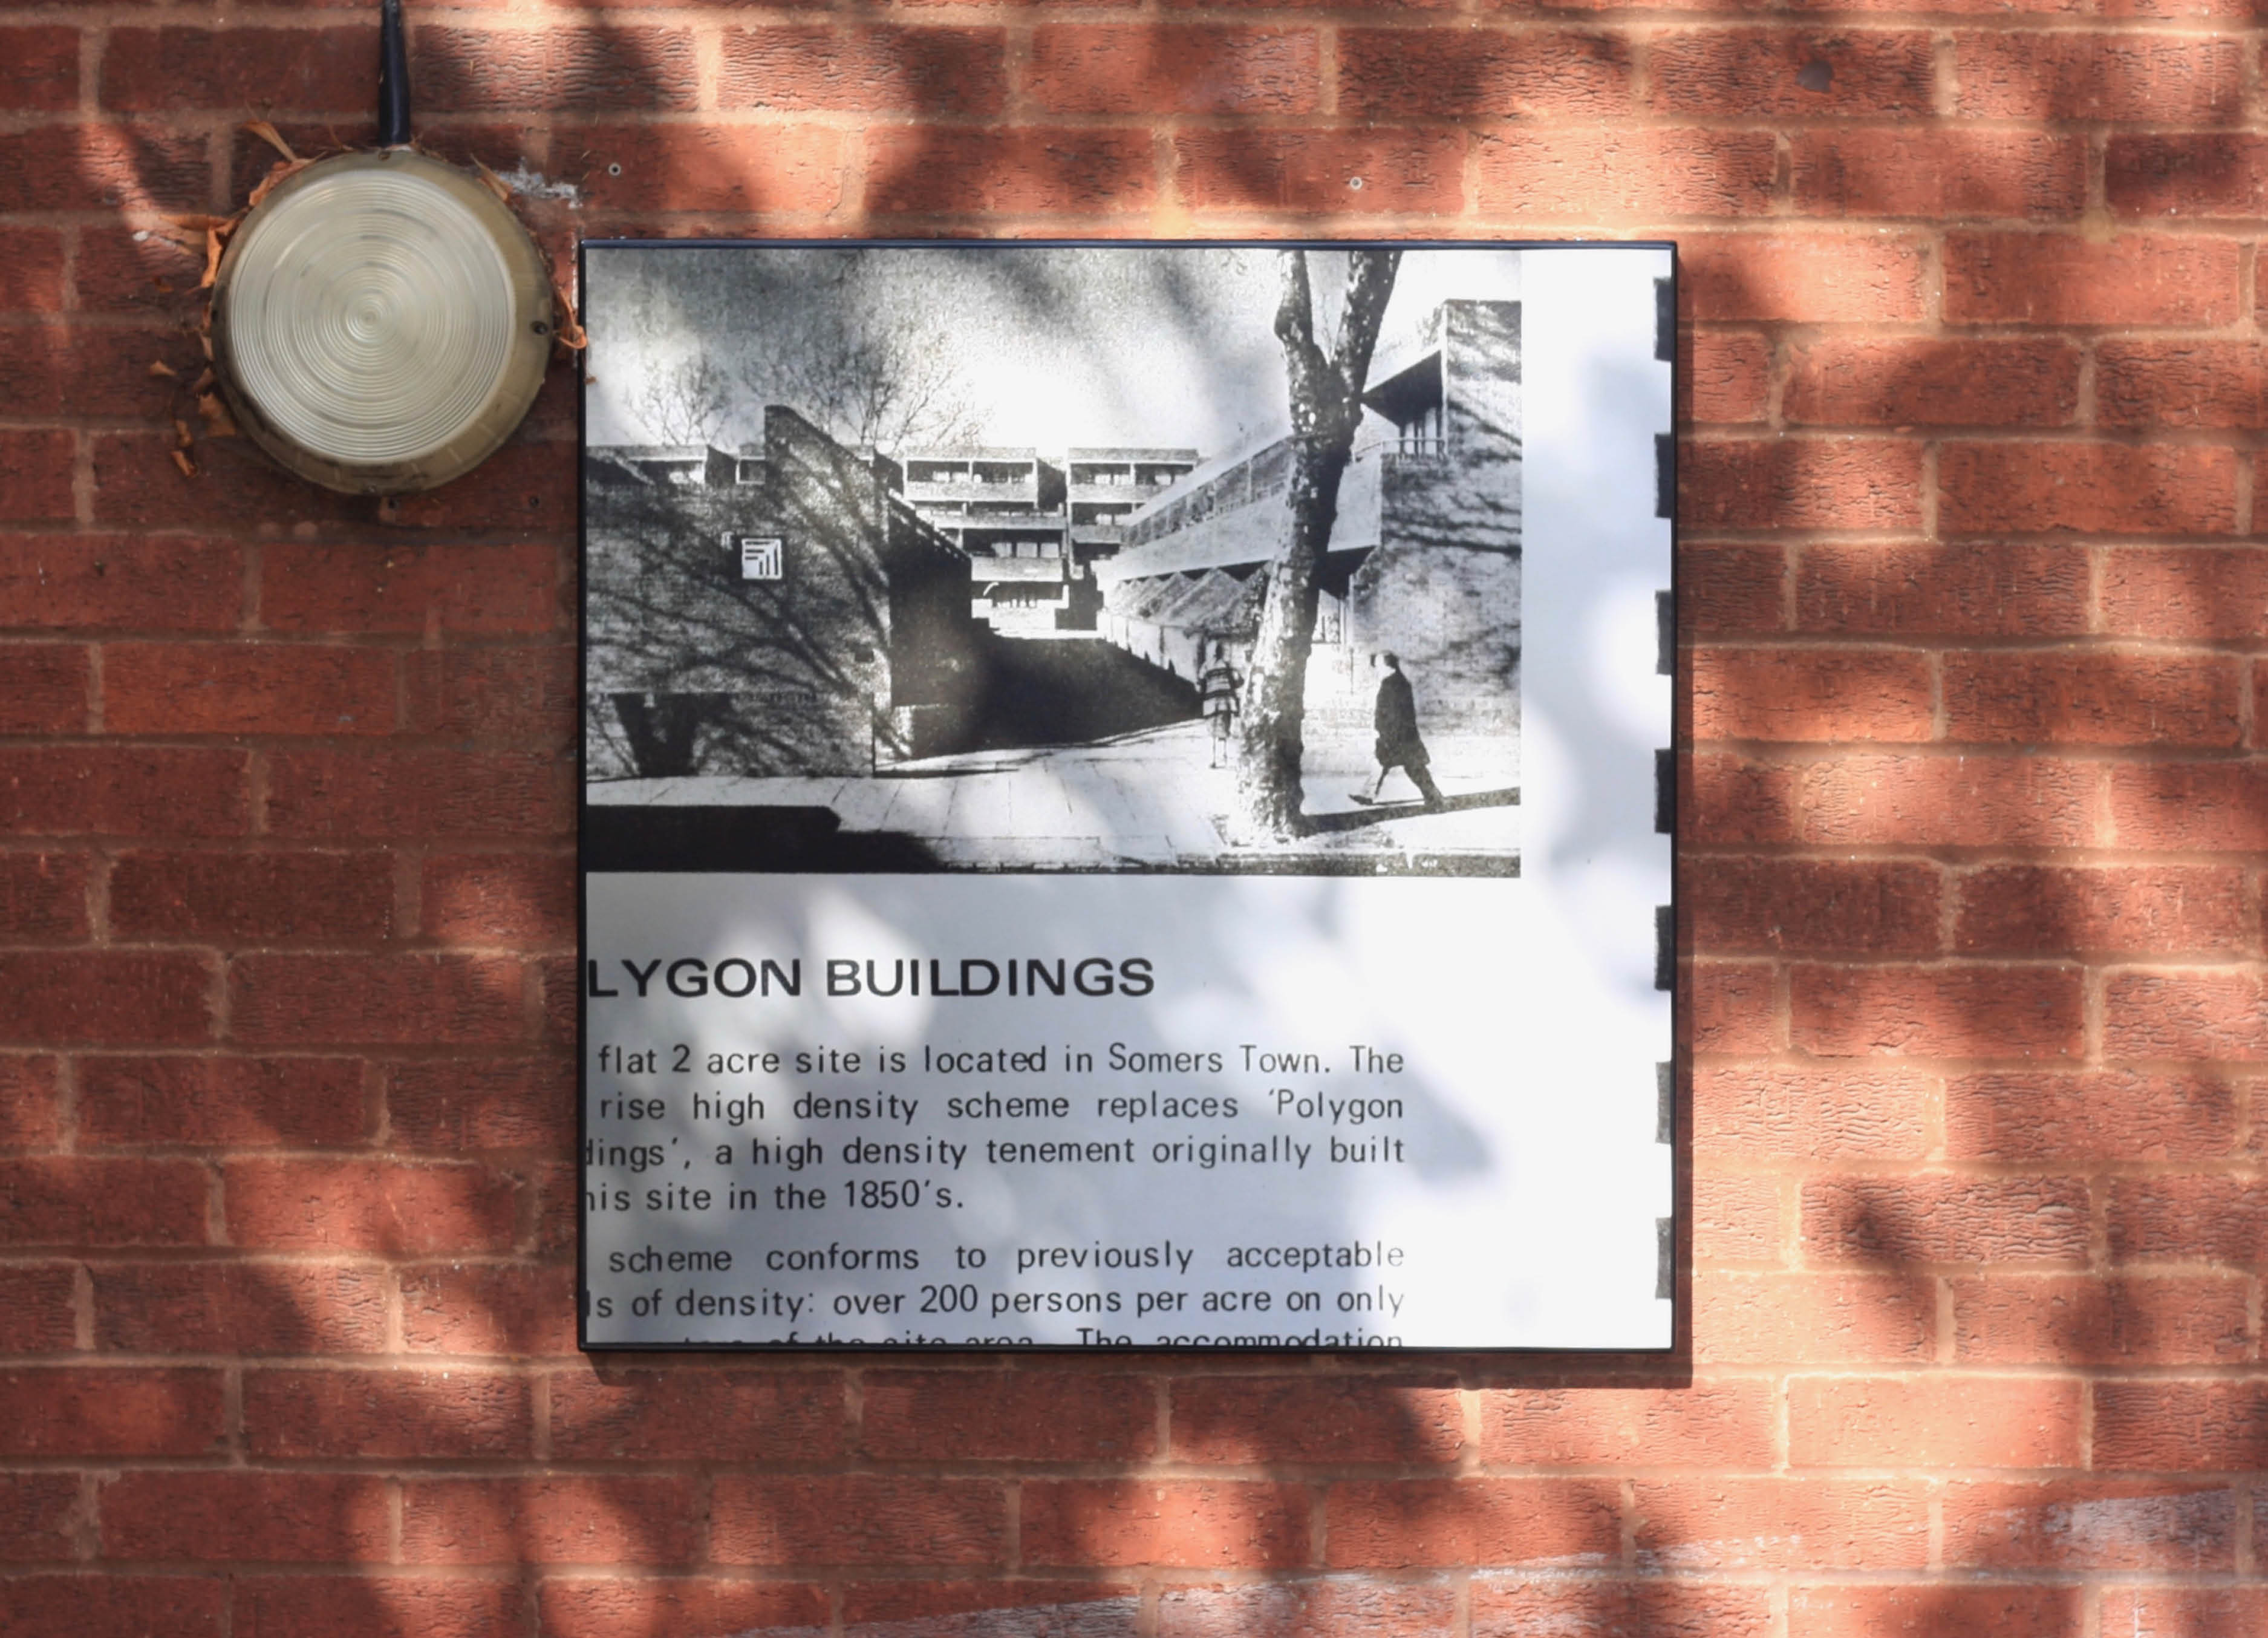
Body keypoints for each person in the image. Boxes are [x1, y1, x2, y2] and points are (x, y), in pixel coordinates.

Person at [1356, 650, 1444, 809]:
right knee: (1380, 762)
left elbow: (1396, 713)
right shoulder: (1393, 682)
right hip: (1395, 734)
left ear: (1388, 666)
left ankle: (1435, 799)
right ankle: (1367, 795)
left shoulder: (1395, 684)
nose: (1376, 670)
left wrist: (1386, 732)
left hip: (1399, 736)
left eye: (1378, 666)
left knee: (1414, 768)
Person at [1196, 639, 1241, 768]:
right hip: (1225, 703)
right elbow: (1238, 681)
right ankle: (1224, 758)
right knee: (1224, 729)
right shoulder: (1227, 666)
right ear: (1221, 652)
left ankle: (1213, 759)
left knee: (1213, 731)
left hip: (1211, 703)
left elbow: (1199, 683)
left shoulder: (1206, 666)